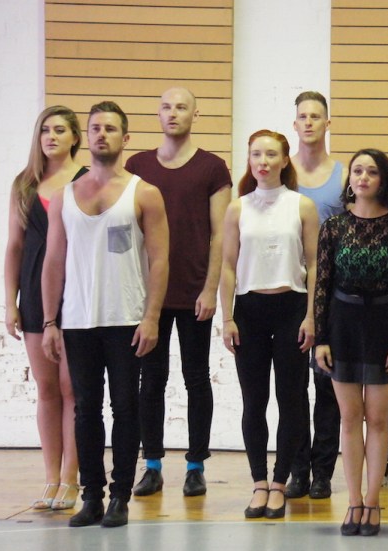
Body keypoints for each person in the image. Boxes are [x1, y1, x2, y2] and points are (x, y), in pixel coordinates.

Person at [41, 101, 169, 528]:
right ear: (86, 136)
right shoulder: (64, 197)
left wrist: (151, 316)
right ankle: (91, 496)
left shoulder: (144, 192)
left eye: (110, 129)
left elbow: (159, 260)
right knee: (85, 411)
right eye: (95, 128)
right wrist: (49, 322)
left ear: (125, 138)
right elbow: (53, 261)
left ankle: (120, 497)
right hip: (78, 321)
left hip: (127, 319)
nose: (101, 135)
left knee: (126, 409)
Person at [127, 87, 232, 498]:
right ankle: (151, 465)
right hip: (147, 296)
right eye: (167, 107)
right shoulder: (136, 165)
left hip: (194, 294)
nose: (174, 113)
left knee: (196, 379)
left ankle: (195, 465)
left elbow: (222, 233)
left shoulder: (212, 168)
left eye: (182, 107)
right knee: (150, 381)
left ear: (196, 114)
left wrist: (210, 289)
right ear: (158, 114)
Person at [313, 149, 388, 536]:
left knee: (377, 418)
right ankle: (353, 500)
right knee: (348, 418)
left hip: (383, 324)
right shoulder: (334, 227)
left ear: (383, 180)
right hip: (341, 323)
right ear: (350, 179)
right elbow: (321, 285)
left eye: (372, 172)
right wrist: (320, 338)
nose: (363, 177)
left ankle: (374, 501)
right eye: (357, 170)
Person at [219, 130, 318, 520]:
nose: (262, 161)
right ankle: (259, 482)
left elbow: (314, 266)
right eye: (256, 154)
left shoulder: (302, 206)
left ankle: (281, 483)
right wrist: (226, 317)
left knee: (292, 399)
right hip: (249, 310)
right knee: (254, 401)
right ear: (249, 160)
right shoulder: (237, 208)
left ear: (283, 160)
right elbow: (228, 265)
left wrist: (312, 315)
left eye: (270, 154)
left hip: (292, 306)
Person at [5, 106, 86, 511]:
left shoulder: (87, 181)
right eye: (45, 131)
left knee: (73, 388)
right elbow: (15, 247)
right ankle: (51, 478)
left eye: (60, 130)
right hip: (34, 295)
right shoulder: (24, 183)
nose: (51, 137)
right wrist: (10, 302)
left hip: (77, 292)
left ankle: (72, 480)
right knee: (47, 389)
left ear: (75, 137)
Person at [286, 91, 347, 501]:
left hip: (334, 293)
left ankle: (323, 471)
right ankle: (297, 468)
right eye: (302, 116)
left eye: (316, 116)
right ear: (294, 125)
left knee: (327, 385)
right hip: (289, 290)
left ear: (328, 124)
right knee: (292, 387)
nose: (308, 122)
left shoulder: (343, 175)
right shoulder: (280, 171)